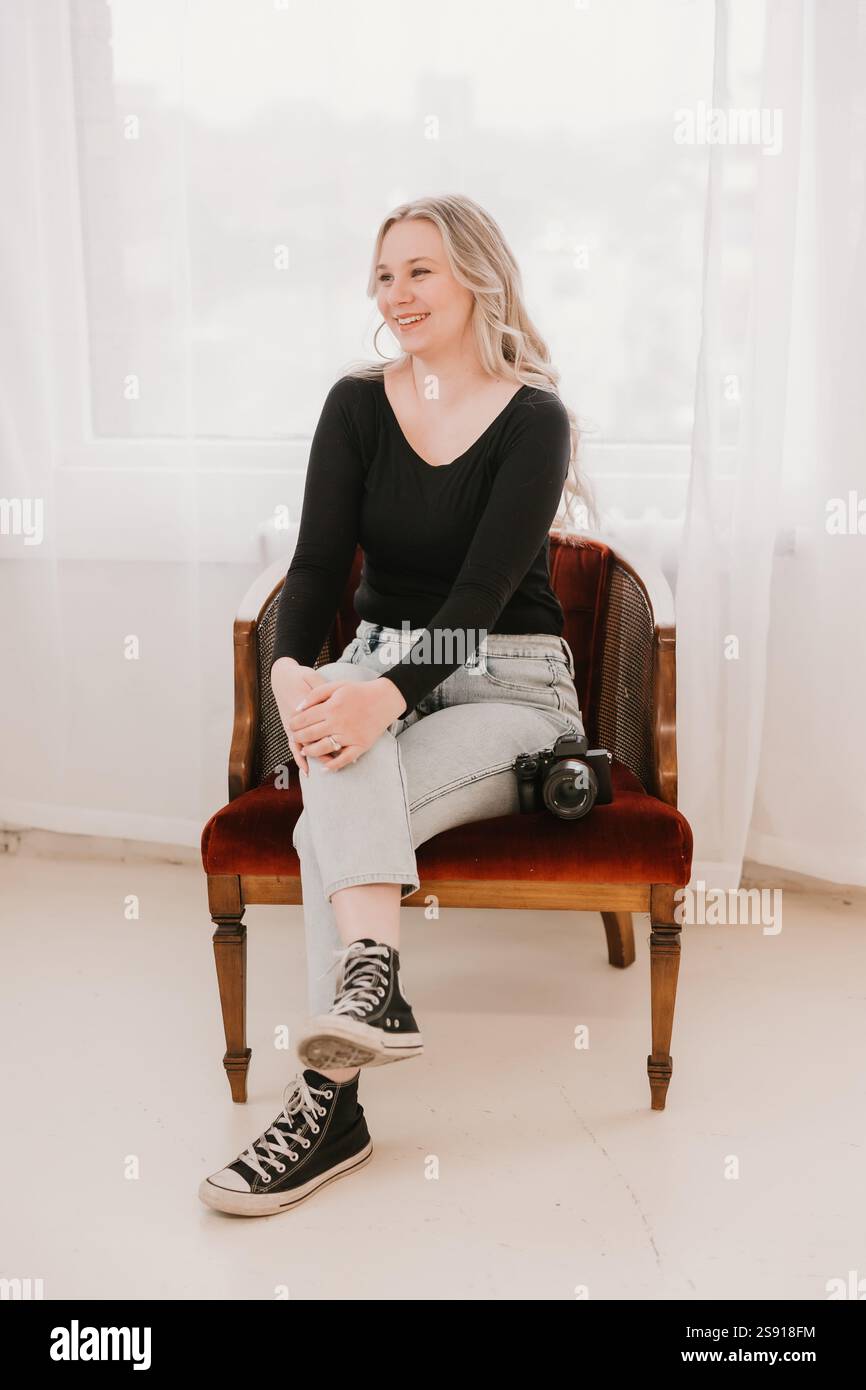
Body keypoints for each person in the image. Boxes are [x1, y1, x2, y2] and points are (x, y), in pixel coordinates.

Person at [199, 194, 595, 1217]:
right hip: (374, 668)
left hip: (508, 679)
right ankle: (370, 989)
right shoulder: (354, 405)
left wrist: (372, 697)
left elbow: (474, 601)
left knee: (330, 812)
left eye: (419, 269)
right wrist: (296, 679)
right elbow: (318, 564)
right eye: (384, 275)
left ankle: (325, 1103)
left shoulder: (534, 418)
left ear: (474, 276)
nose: (397, 292)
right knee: (337, 752)